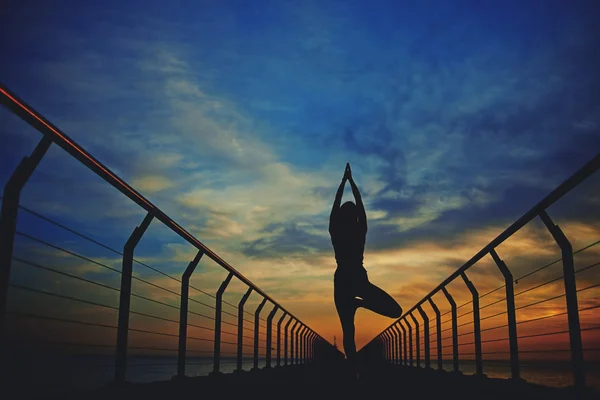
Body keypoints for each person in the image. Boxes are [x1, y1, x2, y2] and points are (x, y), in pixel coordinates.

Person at [329, 163, 402, 369]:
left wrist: (343, 182)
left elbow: (336, 204)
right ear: (355, 218)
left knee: (347, 330)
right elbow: (360, 204)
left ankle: (352, 371)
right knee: (395, 310)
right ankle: (360, 304)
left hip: (342, 279)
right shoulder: (360, 231)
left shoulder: (335, 230)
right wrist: (352, 182)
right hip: (358, 279)